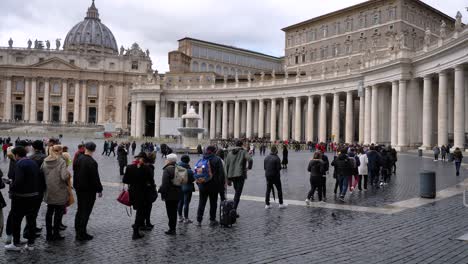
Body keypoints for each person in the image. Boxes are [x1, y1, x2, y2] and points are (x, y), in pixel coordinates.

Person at [5, 146, 42, 251]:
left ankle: (16, 244)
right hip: (34, 196)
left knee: (16, 220)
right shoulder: (33, 162)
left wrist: (11, 186)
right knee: (31, 221)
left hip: (21, 198)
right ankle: (31, 244)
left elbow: (19, 181)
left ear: (16, 155)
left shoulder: (19, 164)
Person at [73, 142, 103, 241]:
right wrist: (99, 189)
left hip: (79, 189)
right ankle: (82, 234)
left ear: (85, 148)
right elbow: (95, 178)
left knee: (80, 210)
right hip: (89, 191)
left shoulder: (78, 159)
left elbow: (75, 174)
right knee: (86, 212)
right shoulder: (92, 162)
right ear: (94, 150)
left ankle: (78, 231)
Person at [123, 152, 155, 239]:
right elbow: (151, 182)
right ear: (143, 159)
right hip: (143, 193)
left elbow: (125, 180)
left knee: (139, 211)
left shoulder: (129, 167)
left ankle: (136, 229)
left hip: (133, 193)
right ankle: (135, 232)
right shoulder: (146, 168)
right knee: (140, 213)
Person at [41, 145, 69, 241]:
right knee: (58, 213)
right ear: (60, 151)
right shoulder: (61, 161)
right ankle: (56, 233)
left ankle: (49, 234)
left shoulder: (45, 160)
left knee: (49, 212)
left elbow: (41, 173)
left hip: (49, 190)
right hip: (59, 191)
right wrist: (68, 174)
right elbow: (64, 176)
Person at [196, 146, 225, 226]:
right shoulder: (217, 159)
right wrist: (220, 186)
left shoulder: (202, 158)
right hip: (213, 186)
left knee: (201, 202)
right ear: (214, 151)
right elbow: (221, 174)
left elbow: (197, 172)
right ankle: (212, 220)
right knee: (213, 203)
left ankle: (199, 220)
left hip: (203, 185)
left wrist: (199, 183)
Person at [225, 140, 252, 215]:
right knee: (238, 193)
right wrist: (249, 167)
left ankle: (233, 209)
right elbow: (250, 159)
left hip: (232, 176)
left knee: (237, 192)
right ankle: (233, 210)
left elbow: (226, 166)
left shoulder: (230, 153)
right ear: (241, 145)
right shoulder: (243, 152)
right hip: (240, 175)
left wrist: (227, 179)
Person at [158, 154, 181, 235]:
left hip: (169, 195)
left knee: (170, 212)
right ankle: (173, 228)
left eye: (166, 159)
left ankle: (172, 229)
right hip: (178, 193)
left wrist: (163, 195)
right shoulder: (178, 168)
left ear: (169, 160)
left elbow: (165, 184)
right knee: (174, 211)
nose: (165, 160)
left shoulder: (167, 170)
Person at [177, 155, 195, 223]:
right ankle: (186, 218)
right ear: (188, 161)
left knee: (180, 202)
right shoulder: (189, 170)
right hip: (187, 188)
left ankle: (180, 217)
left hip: (179, 187)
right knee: (186, 203)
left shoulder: (177, 168)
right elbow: (193, 179)